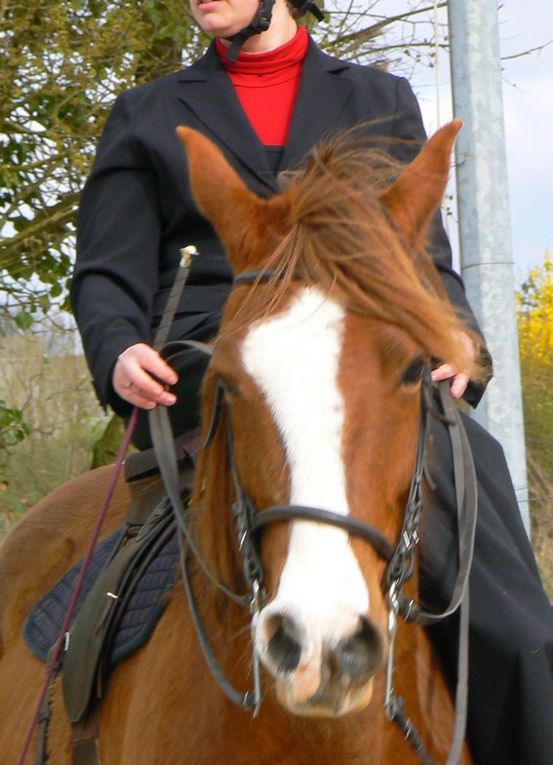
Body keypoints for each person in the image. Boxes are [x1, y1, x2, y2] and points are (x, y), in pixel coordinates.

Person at [71, 2, 553, 763]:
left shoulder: (377, 97)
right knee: (73, 604)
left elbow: (425, 262)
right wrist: (119, 347)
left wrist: (459, 340)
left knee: (522, 630)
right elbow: (106, 273)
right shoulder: (147, 114)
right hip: (220, 364)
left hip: (368, 363)